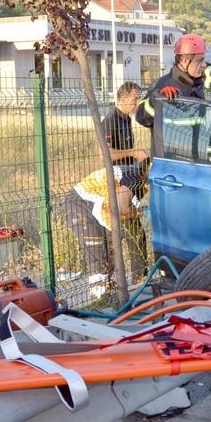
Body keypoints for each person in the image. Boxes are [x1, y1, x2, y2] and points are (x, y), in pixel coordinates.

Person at [61, 166, 142, 301]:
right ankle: (98, 299)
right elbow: (121, 208)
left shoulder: (137, 179)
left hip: (98, 206)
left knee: (110, 248)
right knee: (96, 254)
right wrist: (138, 212)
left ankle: (106, 294)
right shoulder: (135, 179)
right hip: (79, 204)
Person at [136, 34, 208, 129]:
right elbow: (141, 117)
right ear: (185, 61)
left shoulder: (202, 84)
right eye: (200, 60)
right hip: (169, 144)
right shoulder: (161, 84)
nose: (204, 64)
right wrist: (155, 99)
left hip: (197, 143)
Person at [104, 82, 149, 198]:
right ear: (123, 99)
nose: (137, 103)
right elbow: (104, 154)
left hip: (129, 172)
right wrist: (133, 152)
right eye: (135, 99)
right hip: (117, 177)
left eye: (139, 99)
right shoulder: (111, 120)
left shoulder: (126, 119)